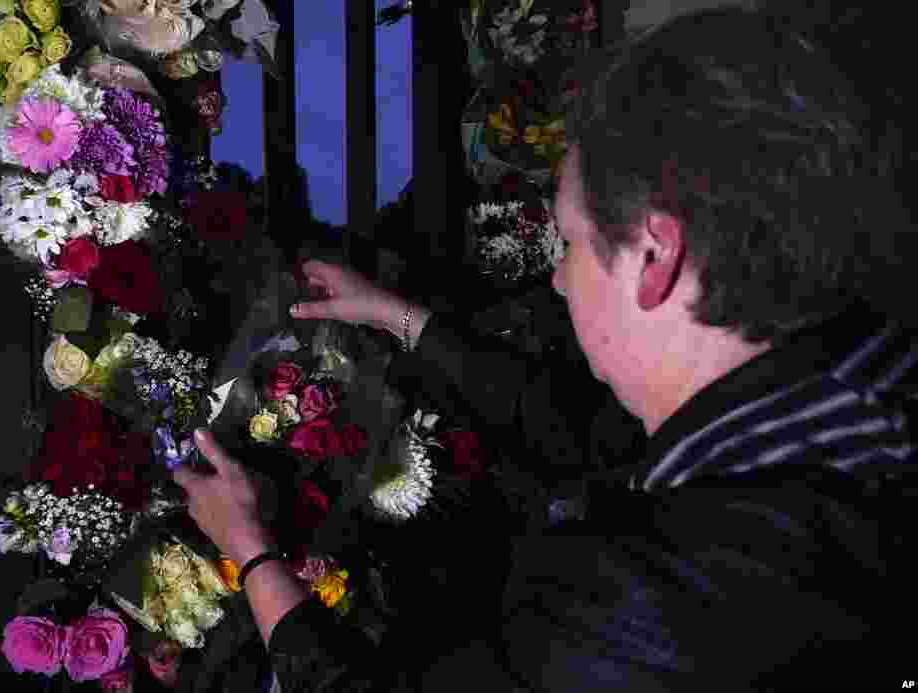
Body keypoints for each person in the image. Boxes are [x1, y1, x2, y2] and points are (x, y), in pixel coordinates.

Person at [173, 7, 916, 690]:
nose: (559, 278)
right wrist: (395, 315)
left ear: (656, 257)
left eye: (573, 241)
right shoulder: (856, 368)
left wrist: (255, 554)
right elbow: (580, 431)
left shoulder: (644, 604)